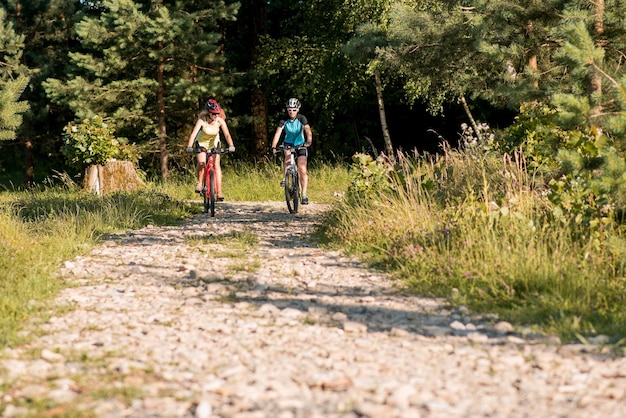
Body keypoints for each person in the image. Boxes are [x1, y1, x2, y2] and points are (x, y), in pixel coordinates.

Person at [186, 99, 235, 201]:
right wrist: (190, 146)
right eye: (214, 114)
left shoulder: (220, 121)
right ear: (209, 113)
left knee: (216, 165)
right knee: (202, 163)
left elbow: (227, 134)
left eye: (217, 113)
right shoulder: (201, 121)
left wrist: (231, 145)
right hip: (202, 144)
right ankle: (199, 183)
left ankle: (219, 192)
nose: (216, 115)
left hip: (214, 144)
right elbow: (193, 134)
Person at [270, 98, 313, 204]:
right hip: (288, 143)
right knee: (288, 160)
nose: (291, 112)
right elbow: (278, 133)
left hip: (300, 144)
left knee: (302, 168)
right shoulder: (284, 120)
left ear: (298, 110)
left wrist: (309, 141)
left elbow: (308, 131)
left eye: (294, 110)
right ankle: (285, 178)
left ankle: (304, 194)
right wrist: (274, 146)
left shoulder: (302, 118)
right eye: (289, 110)